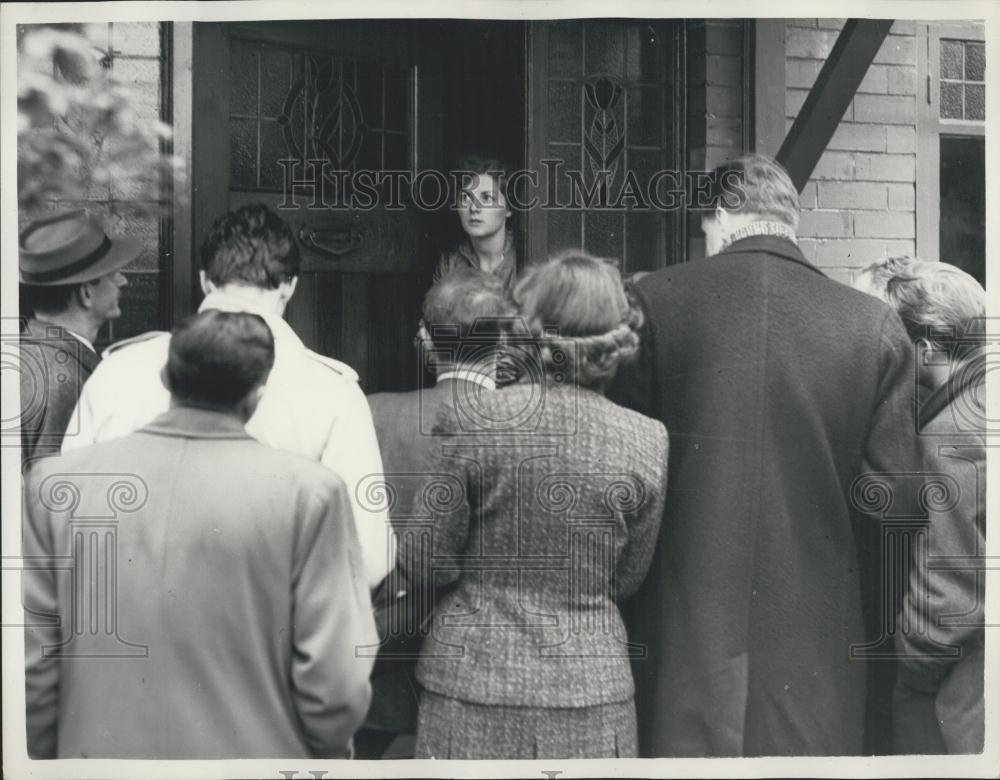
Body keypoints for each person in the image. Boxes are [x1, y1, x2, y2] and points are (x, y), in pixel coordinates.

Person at [609, 153, 931, 756]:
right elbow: (898, 507)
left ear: (722, 215)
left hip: (679, 638)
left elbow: (625, 474)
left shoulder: (652, 303)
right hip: (818, 651)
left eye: (705, 229)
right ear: (790, 219)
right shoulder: (874, 326)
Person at [23, 310, 377, 759]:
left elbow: (33, 658)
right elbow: (336, 681)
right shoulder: (311, 494)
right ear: (257, 394)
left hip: (97, 759)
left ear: (165, 378)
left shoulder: (56, 485)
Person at [405, 251, 668, 759]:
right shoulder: (647, 440)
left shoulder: (473, 418)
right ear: (616, 340)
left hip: (471, 683)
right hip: (591, 691)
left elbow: (424, 558)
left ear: (527, 329)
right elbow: (628, 578)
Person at [62, 203, 392, 589]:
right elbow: (367, 558)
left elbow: (68, 518)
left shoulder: (118, 370)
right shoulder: (335, 393)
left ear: (205, 281)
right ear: (289, 286)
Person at [357, 267, 511, 759]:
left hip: (376, 682)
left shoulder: (370, 412)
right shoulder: (522, 429)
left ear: (424, 339)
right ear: (506, 344)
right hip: (482, 683)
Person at [856, 257, 986, 754]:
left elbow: (950, 587)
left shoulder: (952, 430)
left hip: (964, 694)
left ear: (925, 349)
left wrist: (911, 667)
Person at [18, 209, 138, 466]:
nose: (123, 281)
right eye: (112, 273)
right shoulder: (65, 381)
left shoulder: (29, 357)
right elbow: (54, 493)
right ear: (86, 294)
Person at [433, 154, 518, 291]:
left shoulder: (525, 257)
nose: (474, 208)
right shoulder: (450, 263)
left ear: (508, 208)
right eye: (465, 198)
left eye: (487, 198)